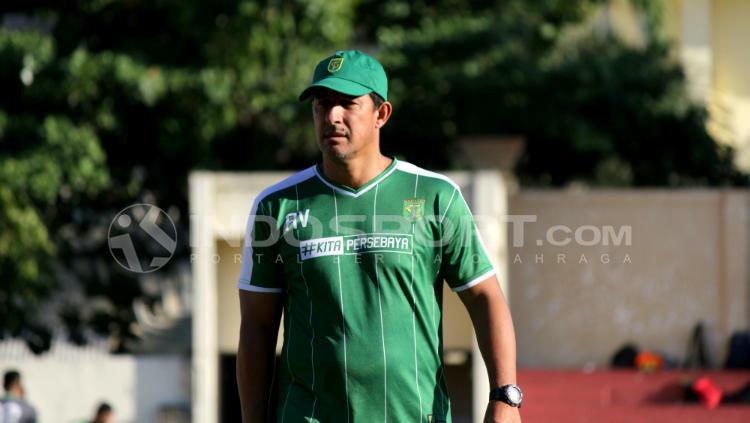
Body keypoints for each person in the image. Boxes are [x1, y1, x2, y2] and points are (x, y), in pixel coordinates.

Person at [237, 50, 522, 423]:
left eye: (347, 104)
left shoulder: (435, 196)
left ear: (381, 114)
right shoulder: (276, 207)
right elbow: (257, 327)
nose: (332, 116)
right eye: (322, 105)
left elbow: (485, 297)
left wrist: (505, 396)